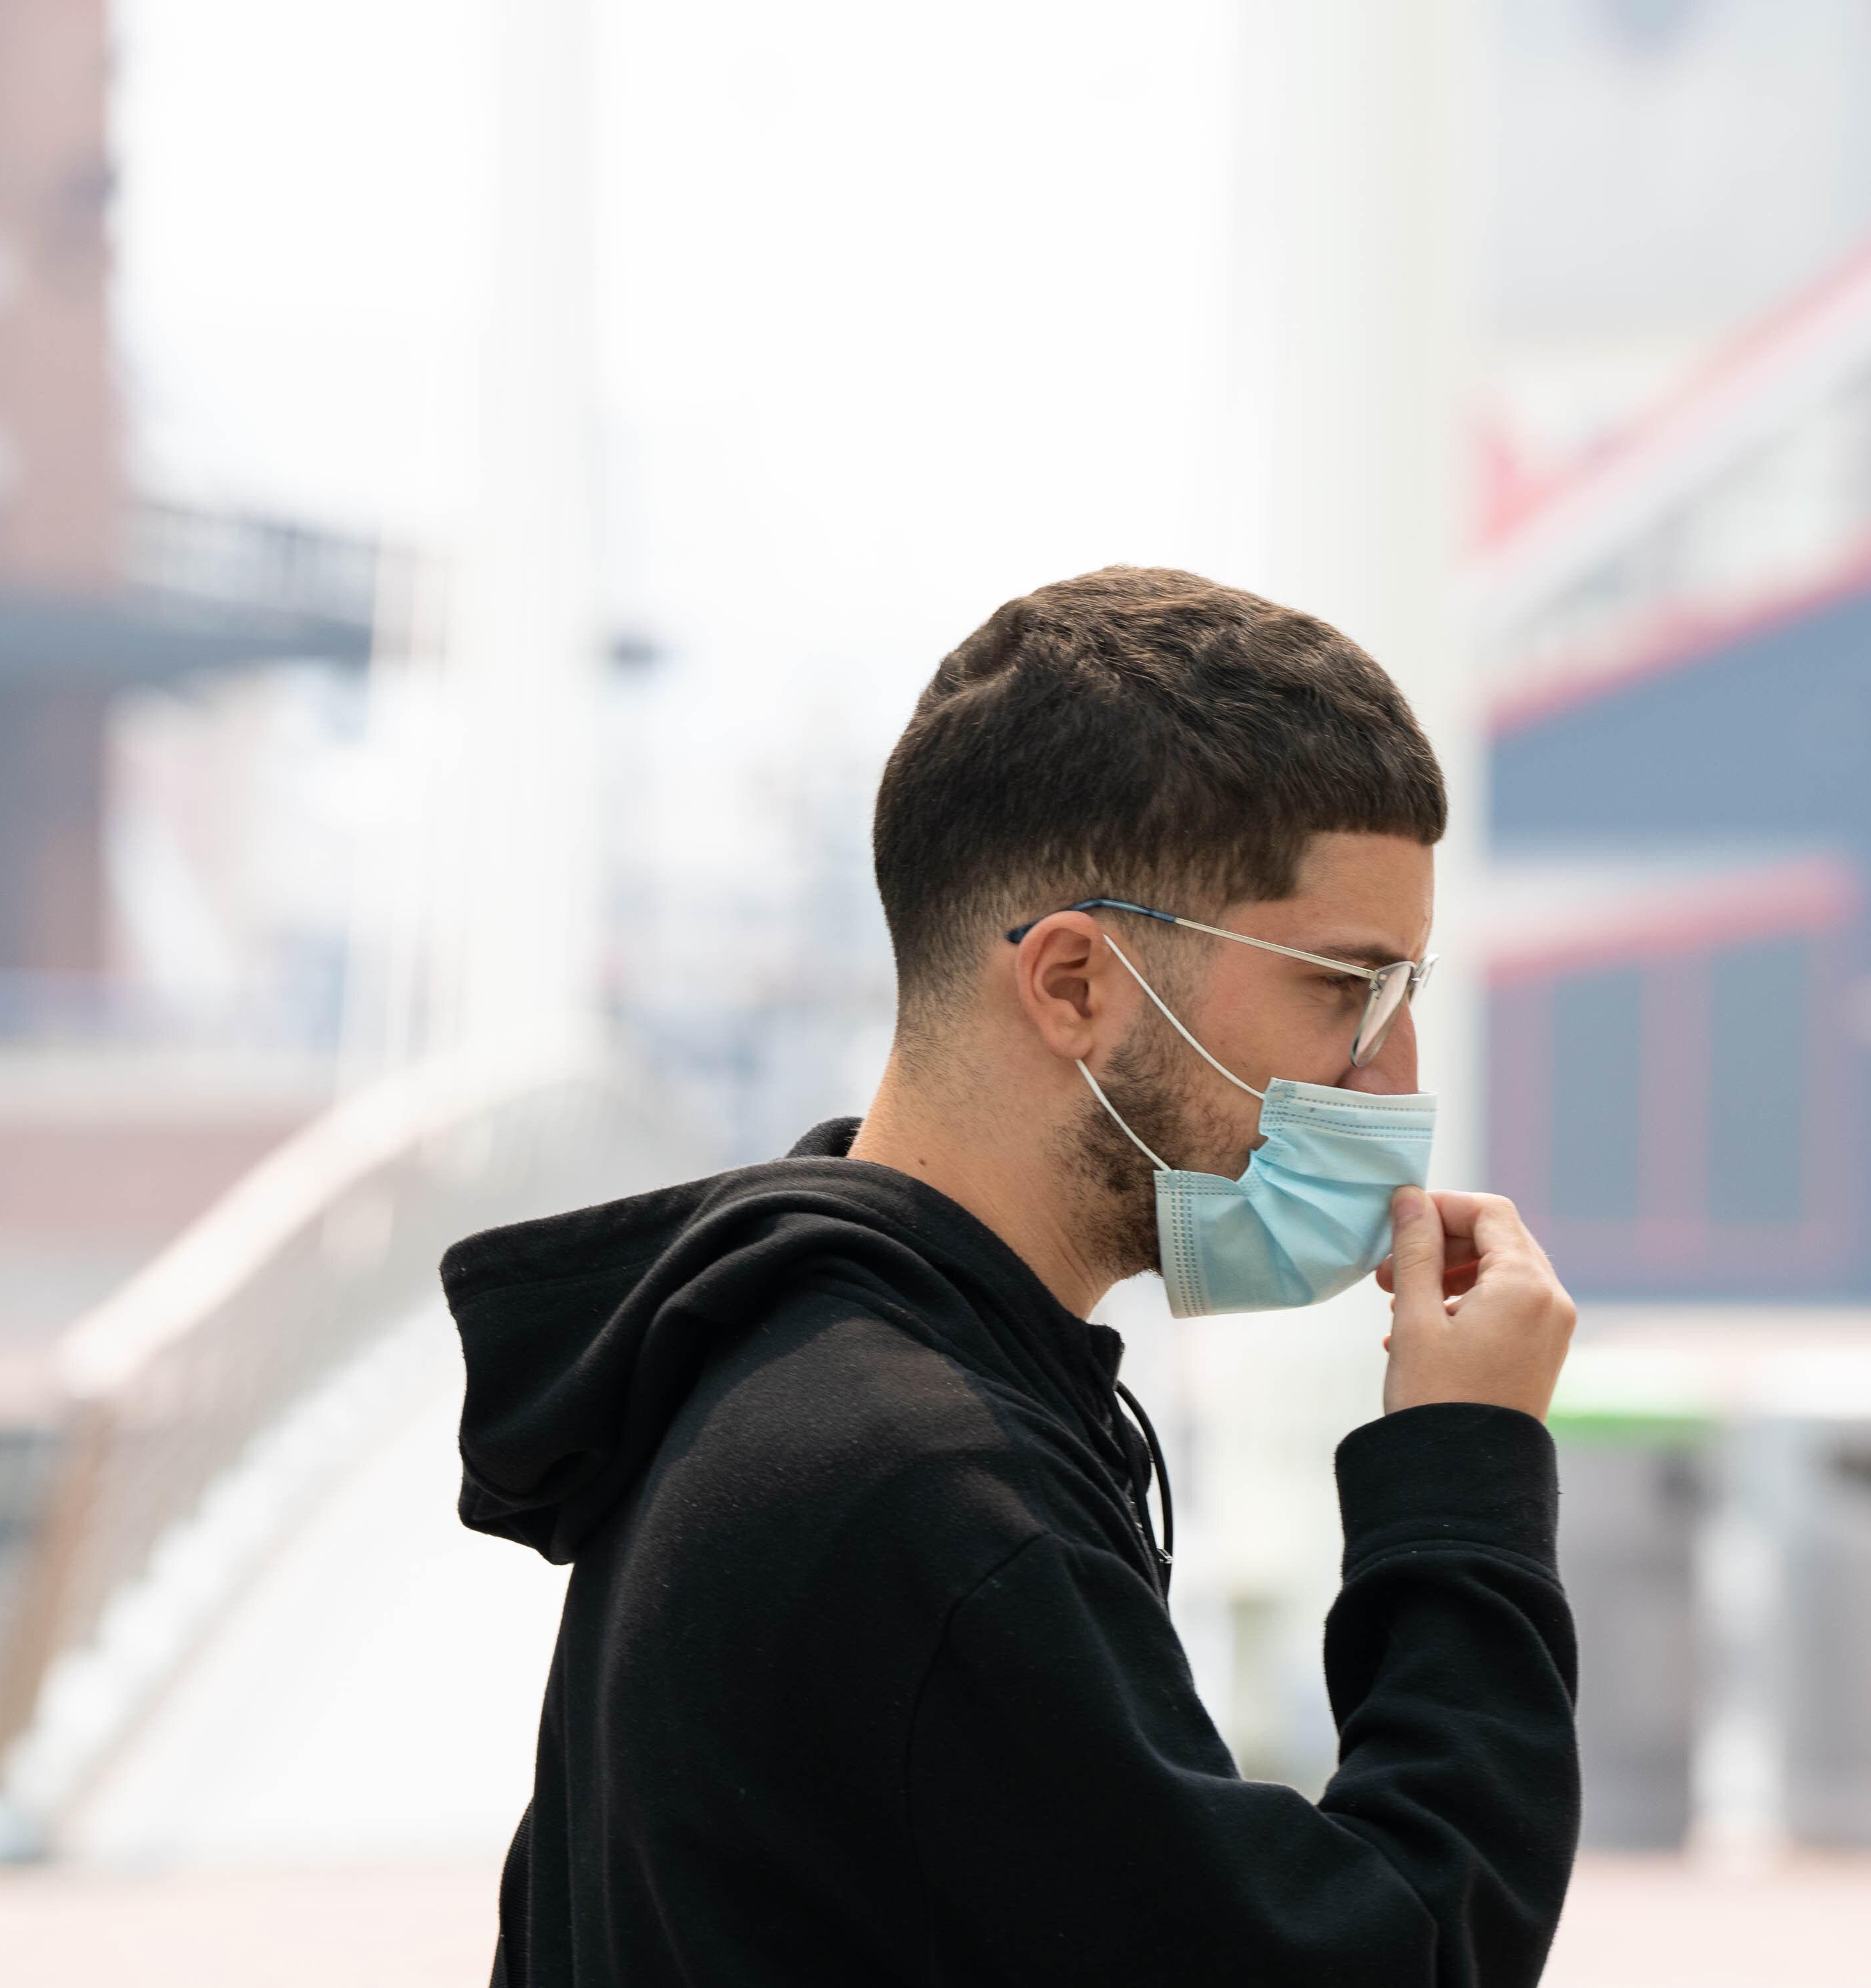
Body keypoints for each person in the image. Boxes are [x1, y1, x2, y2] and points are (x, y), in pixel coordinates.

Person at [446, 567, 1583, 1986]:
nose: (1395, 1075)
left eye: (1408, 993)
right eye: (1344, 987)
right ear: (1075, 987)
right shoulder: (928, 1496)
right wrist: (1463, 1472)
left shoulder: (759, 1371)